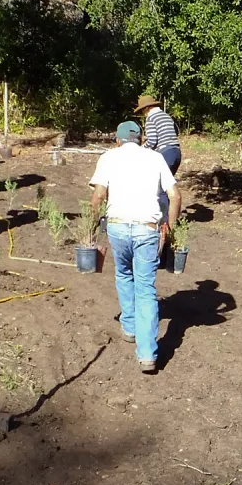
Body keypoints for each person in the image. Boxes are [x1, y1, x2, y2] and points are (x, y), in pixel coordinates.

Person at [89, 120, 180, 373]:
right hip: (147, 229)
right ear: (140, 139)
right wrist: (170, 228)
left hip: (118, 227)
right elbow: (175, 196)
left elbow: (98, 196)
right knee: (146, 289)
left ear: (117, 140)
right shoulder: (156, 158)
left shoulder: (109, 157)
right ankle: (148, 354)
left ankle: (129, 326)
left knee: (123, 273)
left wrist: (91, 227)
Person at [135, 95, 181, 173]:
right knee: (167, 183)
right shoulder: (166, 116)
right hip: (177, 152)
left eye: (142, 111)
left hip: (165, 153)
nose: (143, 114)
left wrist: (141, 149)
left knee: (157, 182)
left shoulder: (151, 118)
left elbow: (152, 141)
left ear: (146, 108)